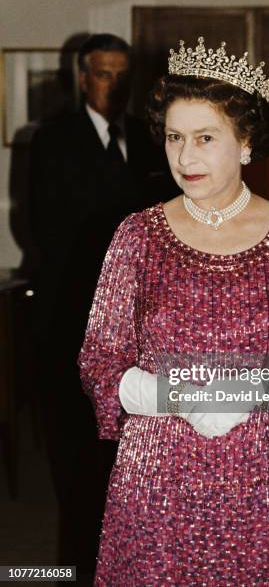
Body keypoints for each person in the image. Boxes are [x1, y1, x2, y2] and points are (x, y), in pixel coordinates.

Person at [79, 36, 269, 585]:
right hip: (156, 479)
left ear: (245, 142)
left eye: (204, 137)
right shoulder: (136, 236)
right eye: (174, 137)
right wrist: (179, 396)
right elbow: (99, 362)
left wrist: (245, 395)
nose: (184, 156)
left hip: (264, 478)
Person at [29, 33, 178, 573]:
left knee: (127, 446)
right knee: (77, 448)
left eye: (121, 74)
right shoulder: (53, 138)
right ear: (82, 77)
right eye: (102, 73)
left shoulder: (150, 137)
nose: (112, 85)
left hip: (139, 320)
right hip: (73, 312)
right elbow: (43, 225)